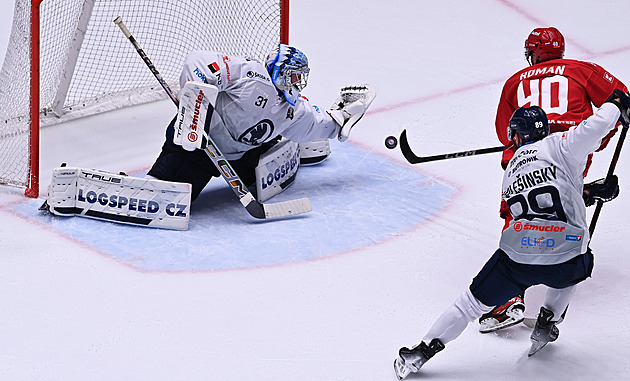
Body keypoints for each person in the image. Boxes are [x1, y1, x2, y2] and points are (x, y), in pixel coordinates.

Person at [393, 92, 626, 379]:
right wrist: (615, 105)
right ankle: (546, 321)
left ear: (518, 135)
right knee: (576, 257)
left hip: (518, 258)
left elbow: (542, 199)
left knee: (468, 305)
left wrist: (588, 192)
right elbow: (593, 130)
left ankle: (421, 351)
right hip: (566, 262)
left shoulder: (512, 169)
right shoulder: (561, 145)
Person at [481, 26, 628, 333]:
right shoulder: (582, 69)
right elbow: (620, 100)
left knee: (519, 212)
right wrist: (600, 139)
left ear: (533, 53)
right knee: (561, 202)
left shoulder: (514, 82)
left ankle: (509, 300)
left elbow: (504, 134)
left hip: (527, 156)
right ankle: (555, 301)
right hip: (572, 150)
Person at [147, 44, 375, 202]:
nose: (298, 82)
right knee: (174, 195)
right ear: (279, 70)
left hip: (237, 157)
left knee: (257, 177)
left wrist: (343, 117)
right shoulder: (250, 74)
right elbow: (198, 61)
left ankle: (293, 149)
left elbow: (320, 124)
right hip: (200, 144)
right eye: (294, 75)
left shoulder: (293, 108)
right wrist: (194, 100)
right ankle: (147, 188)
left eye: (301, 77)